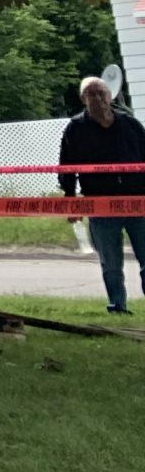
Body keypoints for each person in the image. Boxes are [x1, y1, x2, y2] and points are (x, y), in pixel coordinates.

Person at [58, 76, 145, 314]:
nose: (98, 98)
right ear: (83, 99)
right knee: (111, 264)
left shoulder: (129, 124)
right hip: (100, 205)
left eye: (101, 93)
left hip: (137, 203)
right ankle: (118, 306)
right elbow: (67, 167)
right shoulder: (76, 128)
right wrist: (70, 200)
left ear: (110, 95)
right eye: (91, 94)